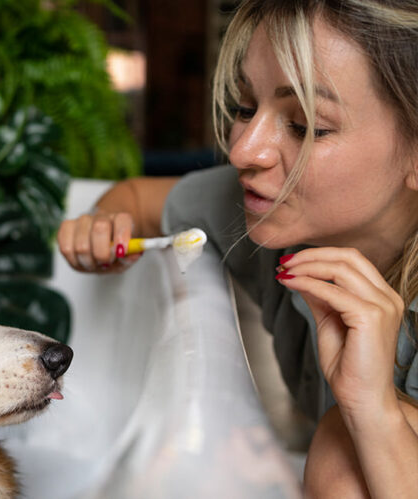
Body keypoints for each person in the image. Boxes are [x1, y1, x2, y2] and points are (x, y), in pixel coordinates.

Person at [57, 0, 418, 496]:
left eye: (306, 126)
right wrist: (100, 227)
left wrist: (372, 411)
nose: (244, 149)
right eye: (247, 107)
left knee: (341, 453)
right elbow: (136, 198)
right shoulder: (268, 211)